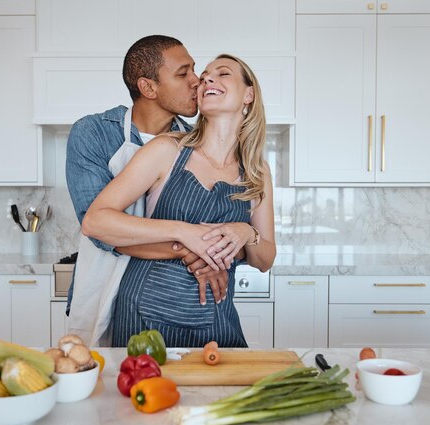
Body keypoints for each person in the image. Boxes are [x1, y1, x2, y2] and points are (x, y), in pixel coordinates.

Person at [82, 54, 276, 347]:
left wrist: (246, 232)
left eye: (223, 74)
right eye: (206, 75)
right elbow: (95, 221)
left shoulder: (257, 170)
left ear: (249, 94)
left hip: (216, 314)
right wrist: (185, 233)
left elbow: (266, 259)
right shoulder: (167, 150)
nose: (207, 78)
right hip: (144, 314)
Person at [66, 35, 230, 346]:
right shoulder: (94, 133)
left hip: (167, 300)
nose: (198, 81)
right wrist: (190, 248)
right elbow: (100, 230)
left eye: (194, 70)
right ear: (148, 88)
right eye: (183, 74)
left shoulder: (197, 141)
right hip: (101, 287)